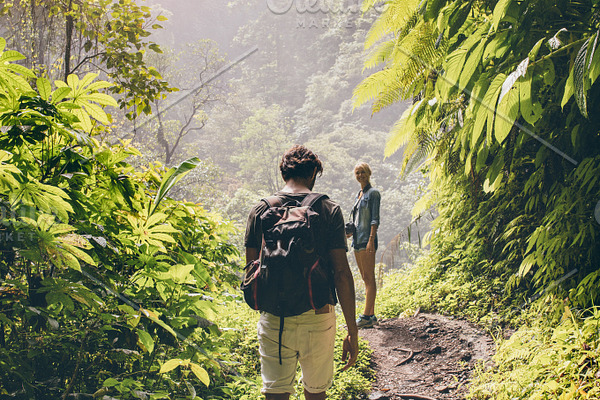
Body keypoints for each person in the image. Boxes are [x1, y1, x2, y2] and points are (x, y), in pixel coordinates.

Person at [244, 145, 359, 400]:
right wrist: (352, 330)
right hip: (318, 316)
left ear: (284, 173)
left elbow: (252, 271)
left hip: (274, 318)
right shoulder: (329, 209)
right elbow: (341, 272)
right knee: (316, 394)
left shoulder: (259, 211)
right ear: (313, 174)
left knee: (275, 395)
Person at [348, 162, 381, 329]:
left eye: (363, 172)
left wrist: (371, 239)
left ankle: (366, 316)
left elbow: (375, 219)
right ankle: (372, 315)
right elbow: (357, 219)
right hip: (357, 239)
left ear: (369, 173)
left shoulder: (374, 193)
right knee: (365, 277)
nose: (360, 175)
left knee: (369, 277)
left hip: (367, 239)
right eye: (357, 173)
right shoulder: (358, 194)